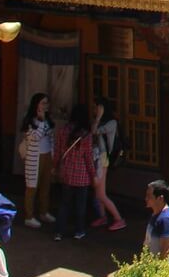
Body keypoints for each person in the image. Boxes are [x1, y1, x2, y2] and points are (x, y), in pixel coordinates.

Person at [52, 104, 95, 241]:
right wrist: (93, 175)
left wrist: (55, 166)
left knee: (64, 204)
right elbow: (88, 157)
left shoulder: (63, 130)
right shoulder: (86, 134)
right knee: (80, 205)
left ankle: (58, 232)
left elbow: (58, 151)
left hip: (66, 173)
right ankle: (79, 231)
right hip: (82, 175)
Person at [17, 95, 56, 230]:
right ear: (36, 105)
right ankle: (29, 216)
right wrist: (40, 121)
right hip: (34, 157)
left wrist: (53, 157)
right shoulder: (30, 121)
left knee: (46, 186)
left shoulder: (48, 121)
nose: (45, 105)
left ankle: (43, 212)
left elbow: (51, 139)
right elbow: (35, 137)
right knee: (32, 187)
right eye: (43, 103)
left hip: (46, 156)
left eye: (47, 103)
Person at [89, 97, 125, 231]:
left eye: (97, 107)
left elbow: (94, 131)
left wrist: (98, 118)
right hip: (98, 157)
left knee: (100, 194)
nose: (94, 110)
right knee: (98, 192)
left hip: (103, 159)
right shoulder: (101, 122)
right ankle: (102, 216)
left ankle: (118, 219)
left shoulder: (111, 123)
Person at [142, 181, 169, 263]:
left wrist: (156, 270)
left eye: (149, 196)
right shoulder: (156, 214)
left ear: (160, 198)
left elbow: (166, 252)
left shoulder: (166, 219)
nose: (146, 198)